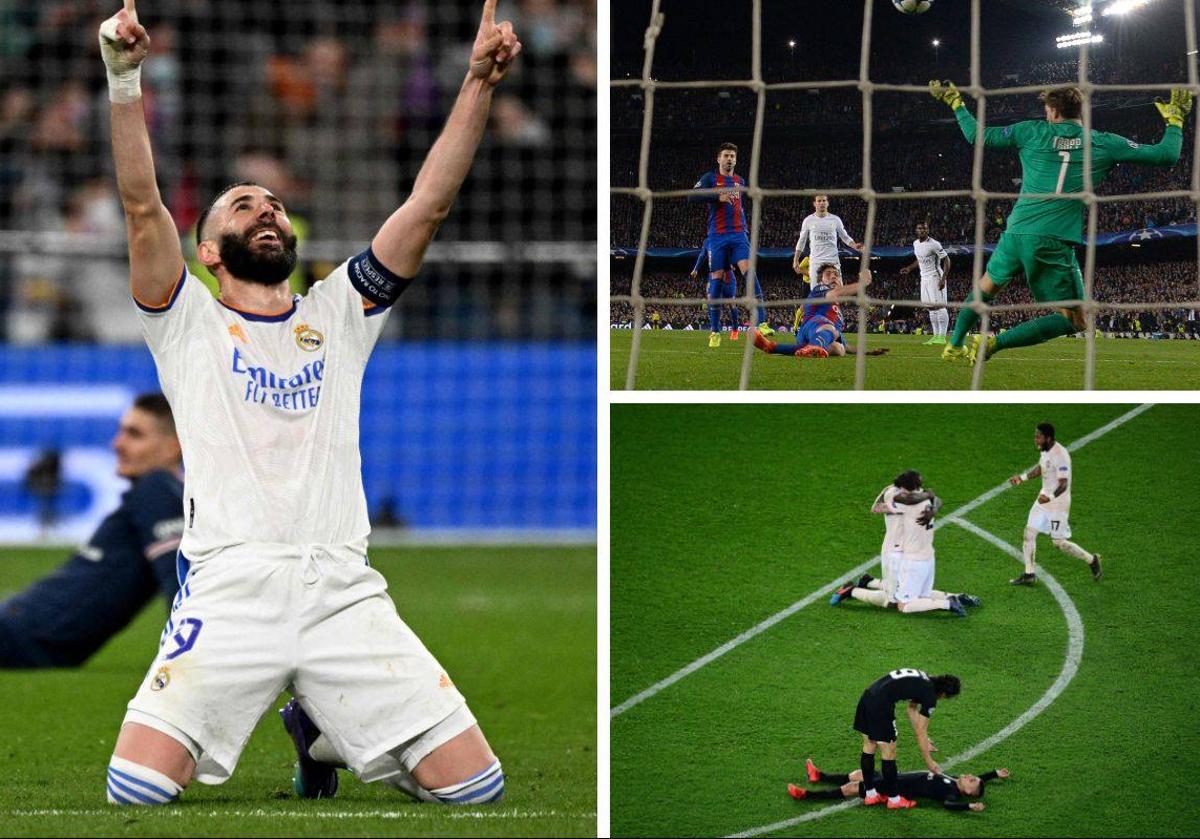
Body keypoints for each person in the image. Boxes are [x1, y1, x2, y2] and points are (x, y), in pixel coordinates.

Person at [99, 0, 519, 807]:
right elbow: (142, 206)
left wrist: (475, 85)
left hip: (341, 587)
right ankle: (309, 718)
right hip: (231, 585)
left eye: (276, 204)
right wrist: (125, 79)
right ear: (210, 251)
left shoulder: (339, 311)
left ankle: (319, 728)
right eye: (244, 205)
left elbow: (426, 206)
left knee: (477, 790)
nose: (267, 209)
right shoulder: (186, 319)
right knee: (135, 790)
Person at [930, 81, 1191, 365]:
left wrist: (956, 103)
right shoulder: (1101, 141)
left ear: (1053, 112)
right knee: (1076, 320)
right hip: (1052, 240)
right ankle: (992, 343)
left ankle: (954, 345)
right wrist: (1175, 121)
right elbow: (1167, 155)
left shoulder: (1031, 131)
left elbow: (976, 135)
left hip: (1016, 231)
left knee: (985, 290)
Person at [0, 394, 183, 668]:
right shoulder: (165, 494)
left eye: (134, 434)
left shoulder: (156, 488)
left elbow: (180, 583)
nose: (116, 444)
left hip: (21, 638)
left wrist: (187, 657)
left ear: (173, 447)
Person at [830, 470, 979, 614]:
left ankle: (955, 597)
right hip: (894, 552)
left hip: (909, 552)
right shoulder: (893, 494)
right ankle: (852, 591)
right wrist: (928, 495)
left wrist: (933, 509)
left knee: (913, 592)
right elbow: (897, 503)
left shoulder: (915, 492)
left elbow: (937, 500)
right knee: (892, 601)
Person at [689, 142, 772, 337]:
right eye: (726, 155)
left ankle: (762, 322)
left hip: (738, 234)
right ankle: (715, 330)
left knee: (748, 270)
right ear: (719, 158)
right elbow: (692, 197)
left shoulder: (740, 180)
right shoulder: (710, 178)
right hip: (717, 235)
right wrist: (717, 197)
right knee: (716, 277)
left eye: (732, 156)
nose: (729, 159)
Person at [1008, 422, 1102, 586]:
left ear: (1048, 438)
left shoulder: (1061, 455)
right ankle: (1029, 573)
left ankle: (1092, 560)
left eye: (1038, 437)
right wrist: (1021, 478)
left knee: (1059, 543)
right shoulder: (1045, 450)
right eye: (1035, 436)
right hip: (1044, 499)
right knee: (1029, 533)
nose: (1035, 439)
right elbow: (1042, 467)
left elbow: (1064, 484)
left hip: (1058, 504)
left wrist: (1050, 497)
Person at [853, 668, 961, 809]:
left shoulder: (924, 679)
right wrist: (929, 762)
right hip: (880, 704)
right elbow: (920, 731)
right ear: (945, 694)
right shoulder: (930, 696)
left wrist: (926, 739)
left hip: (868, 696)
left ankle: (870, 794)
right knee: (889, 752)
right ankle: (894, 799)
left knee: (869, 745)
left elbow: (912, 709)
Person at [788, 757, 1009, 812]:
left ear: (968, 792)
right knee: (857, 774)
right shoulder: (951, 779)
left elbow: (950, 806)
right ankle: (819, 776)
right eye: (973, 777)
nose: (971, 776)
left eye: (973, 781)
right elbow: (978, 781)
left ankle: (806, 795)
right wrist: (993, 774)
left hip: (893, 787)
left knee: (850, 789)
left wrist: (969, 807)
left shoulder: (951, 793)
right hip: (895, 776)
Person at [753, 264, 871, 359]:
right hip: (810, 327)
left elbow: (845, 345)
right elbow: (835, 294)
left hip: (819, 335)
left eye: (836, 275)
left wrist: (868, 352)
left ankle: (772, 347)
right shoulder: (820, 289)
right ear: (821, 281)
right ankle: (813, 346)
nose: (833, 276)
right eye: (828, 274)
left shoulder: (838, 312)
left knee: (839, 348)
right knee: (832, 330)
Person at [899, 222, 951, 345]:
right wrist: (909, 268)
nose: (922, 230)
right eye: (920, 228)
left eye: (925, 228)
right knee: (930, 308)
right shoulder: (915, 244)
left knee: (940, 306)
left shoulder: (934, 244)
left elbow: (947, 260)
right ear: (916, 230)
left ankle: (942, 337)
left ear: (928, 230)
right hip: (924, 278)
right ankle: (935, 336)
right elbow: (919, 259)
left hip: (935, 277)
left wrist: (943, 279)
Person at [793, 195, 862, 287]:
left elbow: (845, 237)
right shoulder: (808, 220)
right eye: (819, 201)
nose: (822, 203)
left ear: (827, 203)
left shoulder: (835, 219)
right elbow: (801, 241)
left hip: (832, 260)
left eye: (824, 200)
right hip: (816, 261)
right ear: (814, 204)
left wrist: (855, 245)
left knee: (837, 291)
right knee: (816, 292)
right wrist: (796, 259)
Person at [690, 244, 740, 345]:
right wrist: (696, 269)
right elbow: (702, 255)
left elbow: (734, 252)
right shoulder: (708, 241)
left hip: (727, 276)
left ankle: (735, 330)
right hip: (713, 275)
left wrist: (731, 263)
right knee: (710, 300)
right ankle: (715, 330)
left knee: (731, 304)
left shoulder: (725, 239)